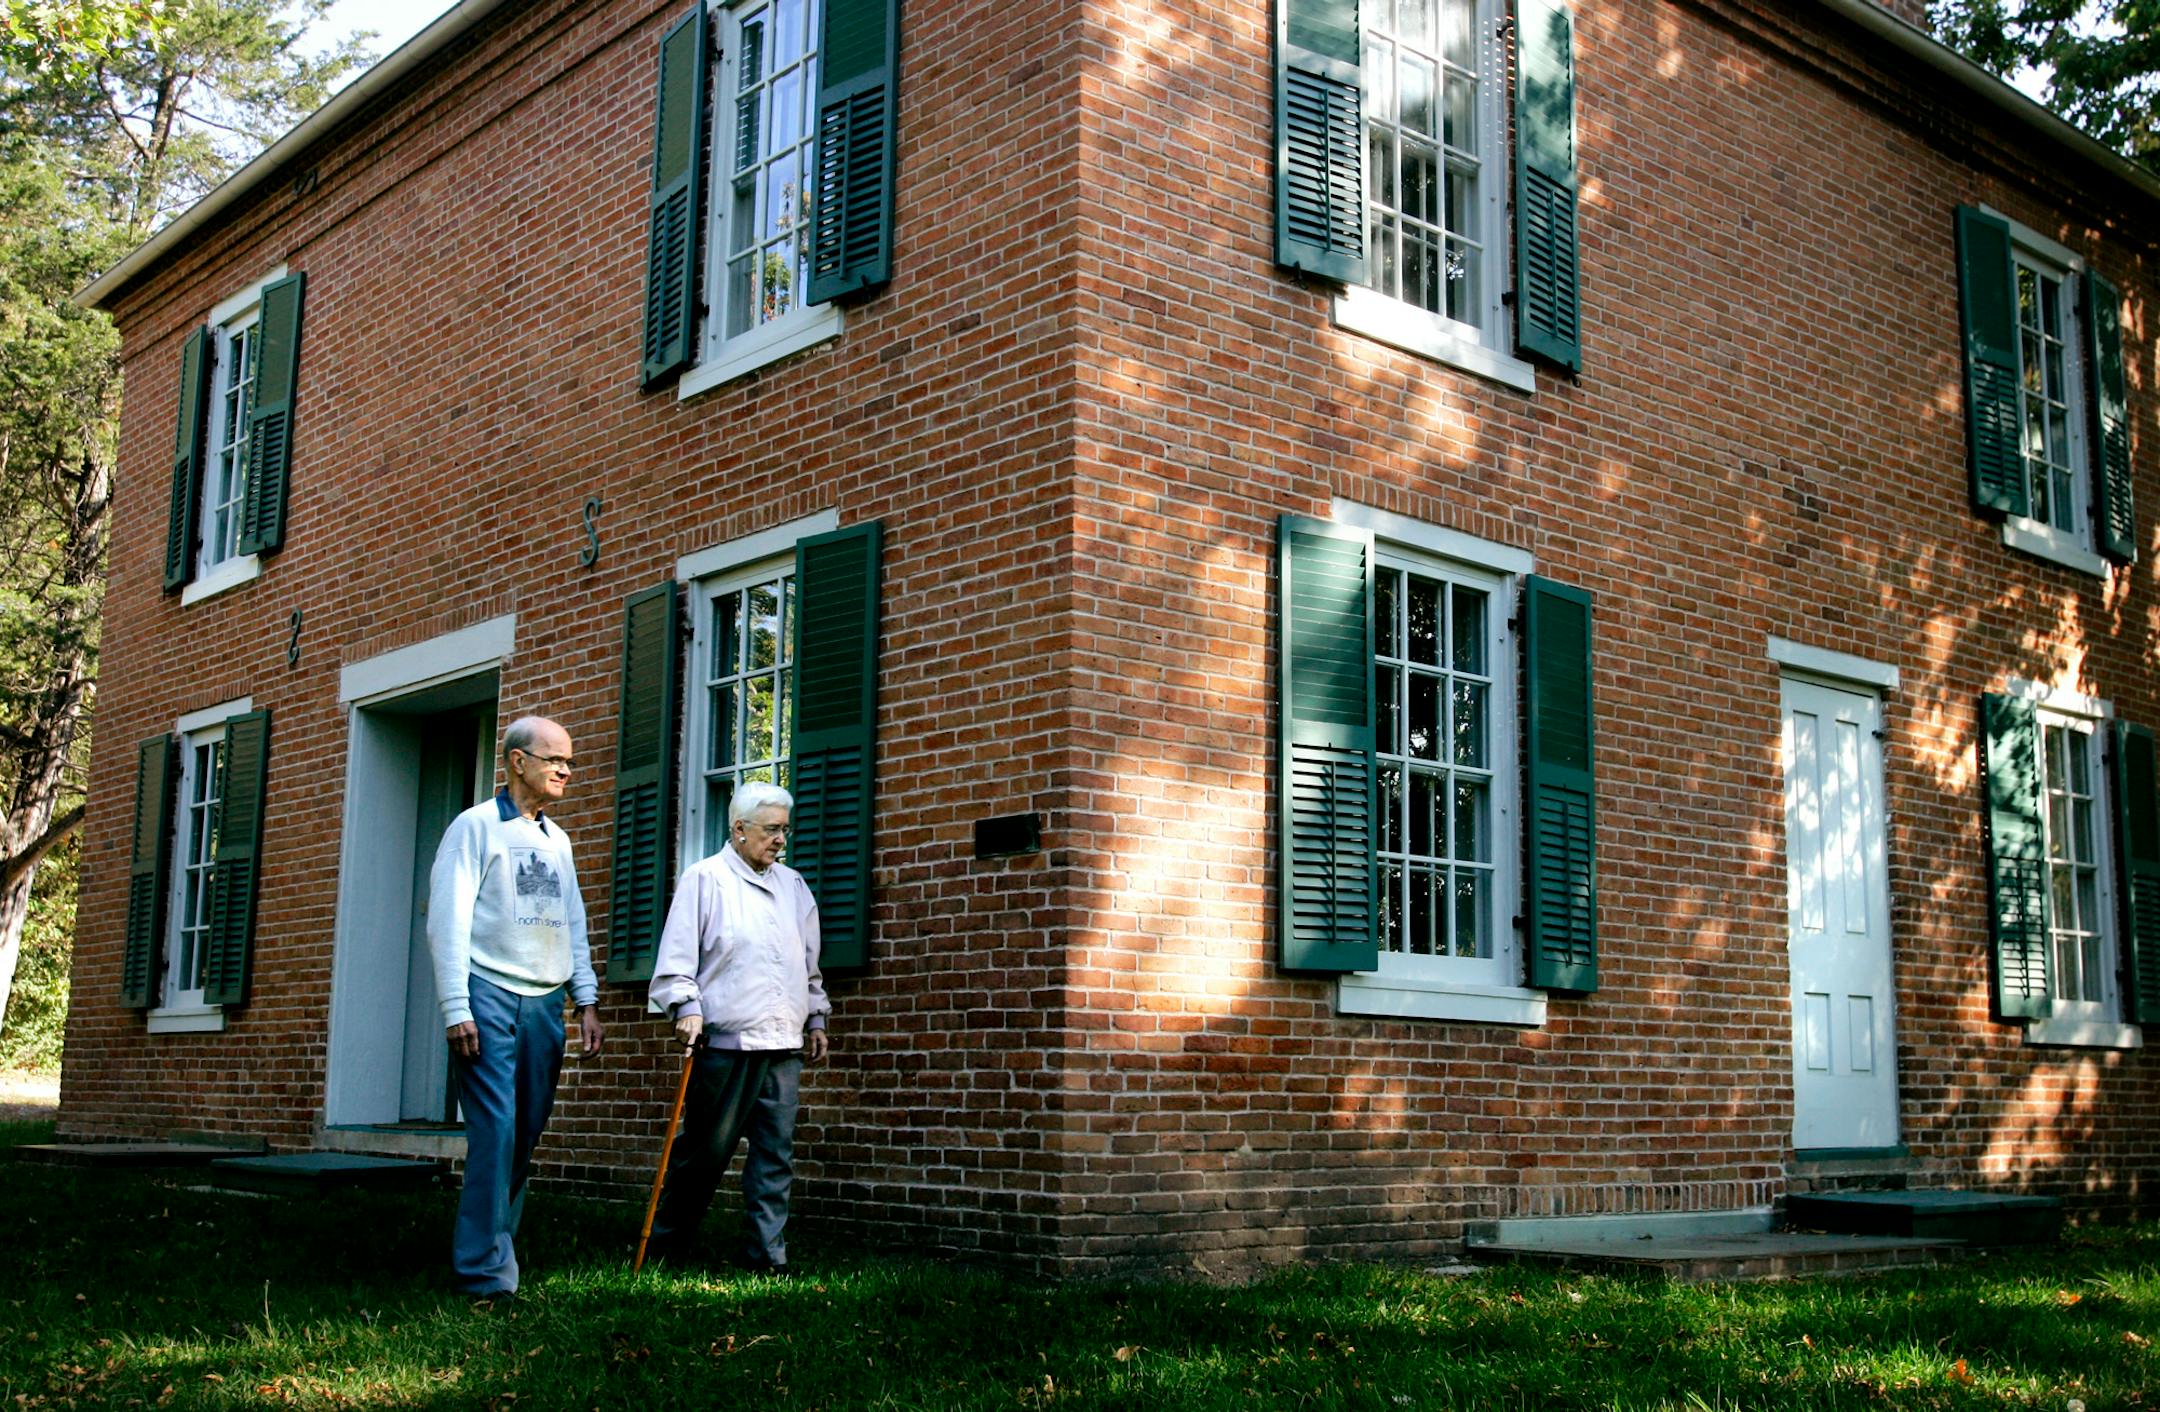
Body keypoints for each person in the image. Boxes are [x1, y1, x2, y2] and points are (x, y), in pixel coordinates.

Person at [427, 715, 604, 1298]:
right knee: (497, 1131)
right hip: (488, 995)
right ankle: (483, 1272)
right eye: (554, 759)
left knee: (525, 1132)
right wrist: (457, 1006)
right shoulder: (474, 828)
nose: (565, 771)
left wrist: (586, 1000)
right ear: (516, 761)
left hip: (545, 1002)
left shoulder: (559, 840)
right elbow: (446, 920)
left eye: (570, 762)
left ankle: (498, 1245)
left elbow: (572, 923)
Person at [645, 781, 829, 1273]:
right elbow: (678, 958)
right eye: (771, 830)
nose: (780, 841)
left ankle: (766, 1257)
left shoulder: (793, 886)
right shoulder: (704, 879)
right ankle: (668, 1247)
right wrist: (684, 1005)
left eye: (784, 831)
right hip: (726, 1042)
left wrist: (816, 1015)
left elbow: (807, 962)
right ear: (739, 829)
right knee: (705, 1153)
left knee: (775, 1156)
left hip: (783, 1042)